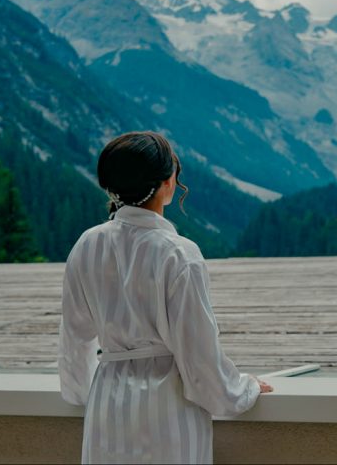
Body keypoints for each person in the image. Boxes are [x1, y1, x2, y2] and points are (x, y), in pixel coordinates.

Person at [58, 131, 272, 464]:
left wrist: (81, 392)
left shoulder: (87, 245)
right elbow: (200, 361)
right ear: (167, 183)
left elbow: (75, 338)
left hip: (106, 411)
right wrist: (247, 388)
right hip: (168, 415)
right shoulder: (179, 254)